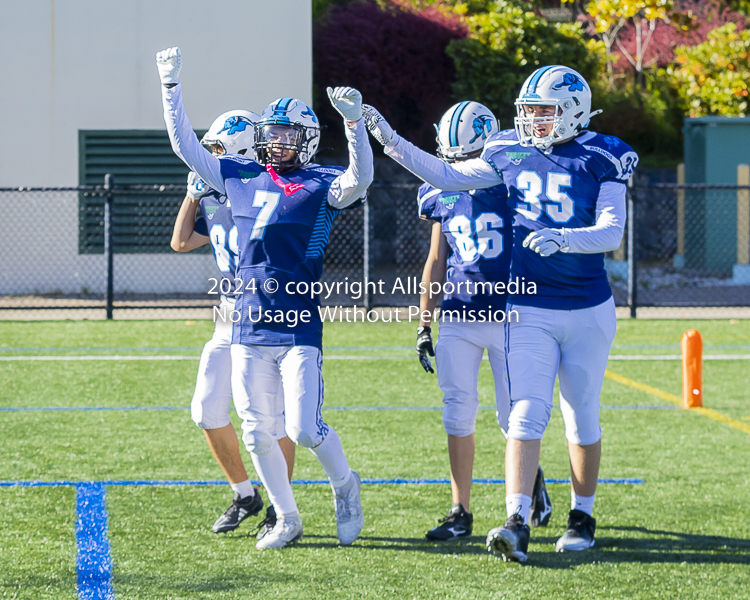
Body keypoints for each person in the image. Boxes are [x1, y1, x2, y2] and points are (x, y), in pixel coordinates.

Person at [363, 65, 637, 561]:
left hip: (588, 308)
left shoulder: (603, 155)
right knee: (525, 413)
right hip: (528, 306)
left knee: (581, 417)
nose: (533, 121)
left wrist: (566, 240)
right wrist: (389, 139)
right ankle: (515, 521)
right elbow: (446, 174)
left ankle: (583, 514)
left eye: (544, 112)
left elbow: (612, 231)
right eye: (528, 111)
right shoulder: (509, 151)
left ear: (573, 110)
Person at [157, 46, 374, 549]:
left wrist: (355, 124)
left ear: (308, 140)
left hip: (297, 319)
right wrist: (171, 88)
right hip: (247, 321)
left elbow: (359, 179)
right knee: (256, 429)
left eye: (285, 135)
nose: (275, 142)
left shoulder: (319, 182)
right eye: (270, 134)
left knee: (303, 428)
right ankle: (286, 516)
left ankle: (345, 485)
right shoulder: (243, 175)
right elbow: (186, 147)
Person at [416, 102, 551, 542]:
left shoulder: (513, 182)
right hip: (458, 312)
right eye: (451, 157)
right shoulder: (438, 190)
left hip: (511, 313)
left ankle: (530, 484)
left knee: (513, 417)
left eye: (464, 157)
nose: (456, 166)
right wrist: (423, 322)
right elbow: (437, 259)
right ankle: (460, 511)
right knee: (457, 411)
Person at [170, 109, 296, 537]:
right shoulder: (216, 195)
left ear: (242, 149)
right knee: (205, 410)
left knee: (272, 419)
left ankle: (282, 509)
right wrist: (191, 195)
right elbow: (181, 242)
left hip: (266, 312)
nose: (211, 156)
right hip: (227, 312)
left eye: (218, 148)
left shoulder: (260, 193)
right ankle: (245, 494)